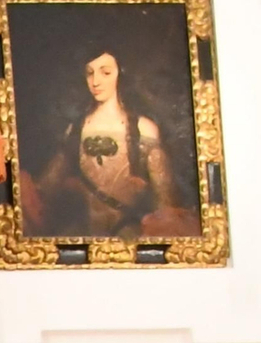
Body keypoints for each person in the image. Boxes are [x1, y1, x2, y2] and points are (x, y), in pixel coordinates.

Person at [24, 49, 195, 241]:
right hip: (84, 235)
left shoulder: (144, 129)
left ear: (120, 74)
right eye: (90, 73)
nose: (96, 81)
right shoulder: (75, 130)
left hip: (129, 235)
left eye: (105, 72)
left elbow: (165, 203)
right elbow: (47, 188)